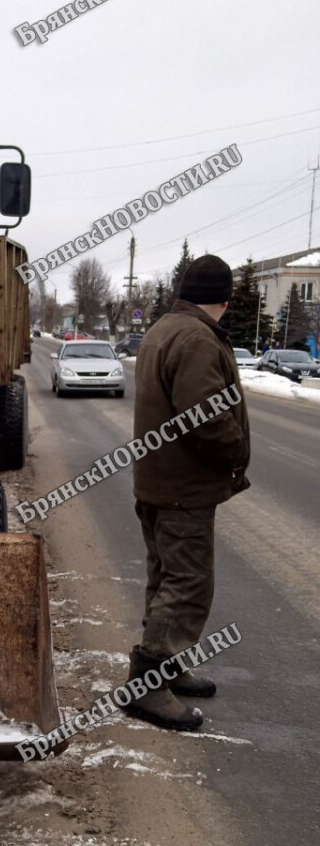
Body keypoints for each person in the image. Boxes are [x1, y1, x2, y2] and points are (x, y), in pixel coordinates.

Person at [125, 255, 250, 730]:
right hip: (184, 486)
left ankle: (168, 668)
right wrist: (235, 452)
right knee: (188, 585)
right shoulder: (197, 337)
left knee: (165, 578)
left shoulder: (164, 327)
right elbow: (204, 412)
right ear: (222, 299)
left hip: (159, 481)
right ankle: (147, 686)